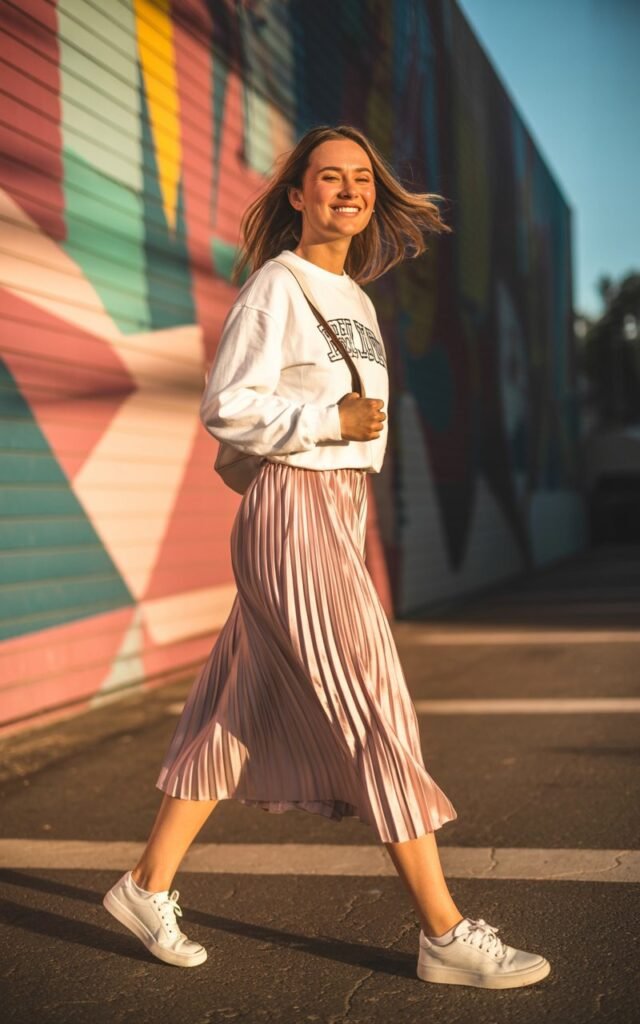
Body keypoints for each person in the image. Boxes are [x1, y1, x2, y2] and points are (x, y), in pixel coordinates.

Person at [103, 124, 551, 990]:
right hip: (294, 505)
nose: (347, 190)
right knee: (373, 701)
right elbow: (228, 405)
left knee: (235, 702)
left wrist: (344, 453)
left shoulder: (359, 300)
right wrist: (324, 423)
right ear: (299, 195)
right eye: (328, 177)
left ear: (372, 199)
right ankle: (444, 932)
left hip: (336, 509)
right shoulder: (279, 284)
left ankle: (144, 884)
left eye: (361, 180)